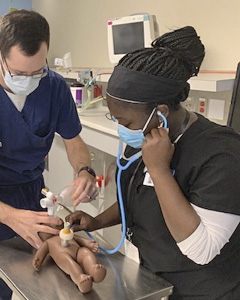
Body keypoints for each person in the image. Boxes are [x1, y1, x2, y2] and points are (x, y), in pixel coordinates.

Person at [66, 26, 240, 299]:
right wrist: (96, 221)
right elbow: (137, 197)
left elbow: (202, 249)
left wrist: (159, 170)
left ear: (160, 113)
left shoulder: (221, 153)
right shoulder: (147, 137)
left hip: (202, 290)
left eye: (125, 122)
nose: (121, 129)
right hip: (153, 280)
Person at [0, 9, 98, 299]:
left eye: (37, 71)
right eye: (19, 73)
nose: (29, 80)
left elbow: (73, 140)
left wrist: (84, 172)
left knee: (51, 273)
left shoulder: (53, 87)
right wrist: (11, 217)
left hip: (36, 191)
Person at [33, 230, 106, 293]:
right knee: (70, 263)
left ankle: (93, 269)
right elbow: (40, 254)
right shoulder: (47, 243)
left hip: (77, 251)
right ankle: (79, 278)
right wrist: (37, 260)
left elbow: (78, 239)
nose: (52, 226)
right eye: (46, 225)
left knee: (85, 252)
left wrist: (88, 243)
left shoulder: (67, 233)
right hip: (63, 257)